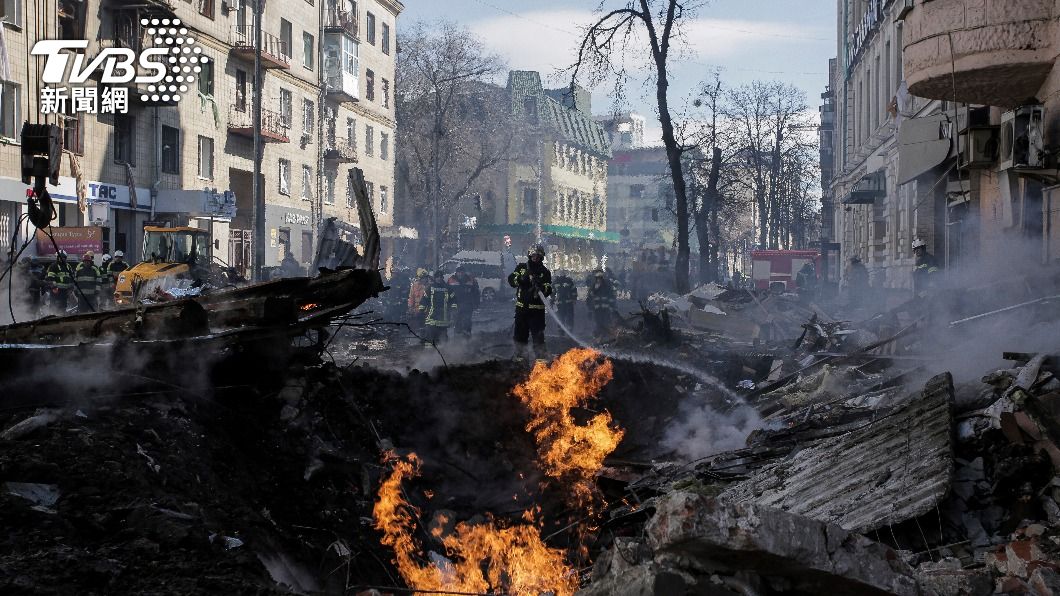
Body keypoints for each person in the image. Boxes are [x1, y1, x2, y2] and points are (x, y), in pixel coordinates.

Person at [507, 244, 552, 361]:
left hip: (537, 312)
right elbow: (511, 280)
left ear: (541, 257)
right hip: (522, 310)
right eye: (533, 255)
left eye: (538, 255)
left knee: (538, 337)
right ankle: (520, 359)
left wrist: (541, 287)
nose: (535, 257)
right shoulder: (522, 267)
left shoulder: (544, 272)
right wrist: (522, 279)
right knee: (520, 336)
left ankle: (541, 361)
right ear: (529, 255)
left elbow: (548, 289)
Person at [418, 270, 456, 345]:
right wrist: (421, 311)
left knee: (443, 339)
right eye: (437, 277)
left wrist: (454, 310)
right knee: (429, 338)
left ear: (442, 278)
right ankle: (429, 354)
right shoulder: (430, 288)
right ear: (435, 278)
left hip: (444, 319)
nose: (439, 278)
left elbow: (454, 300)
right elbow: (424, 300)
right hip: (432, 318)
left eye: (440, 277)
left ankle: (443, 354)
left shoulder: (448, 288)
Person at [447, 265, 480, 339]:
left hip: (468, 305)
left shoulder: (471, 280)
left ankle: (467, 338)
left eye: (462, 272)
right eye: (459, 272)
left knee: (467, 321)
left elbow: (476, 293)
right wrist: (448, 304)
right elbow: (447, 293)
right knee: (457, 322)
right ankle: (457, 339)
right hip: (455, 305)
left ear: (464, 272)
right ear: (456, 273)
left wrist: (476, 304)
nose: (460, 274)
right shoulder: (451, 280)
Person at [586, 269, 616, 339]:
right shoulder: (593, 287)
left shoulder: (607, 286)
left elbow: (611, 297)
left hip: (605, 309)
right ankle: (599, 335)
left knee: (606, 322)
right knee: (598, 322)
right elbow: (589, 298)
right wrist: (590, 309)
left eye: (600, 278)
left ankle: (605, 335)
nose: (599, 280)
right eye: (597, 278)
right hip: (596, 309)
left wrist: (611, 307)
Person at [45, 250, 75, 315]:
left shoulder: (68, 266)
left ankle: (62, 317)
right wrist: (54, 287)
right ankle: (52, 317)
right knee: (54, 305)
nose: (62, 259)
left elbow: (72, 278)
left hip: (65, 291)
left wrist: (71, 288)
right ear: (57, 257)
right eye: (60, 257)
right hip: (56, 291)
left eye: (64, 257)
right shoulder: (53, 266)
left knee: (63, 305)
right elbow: (50, 278)